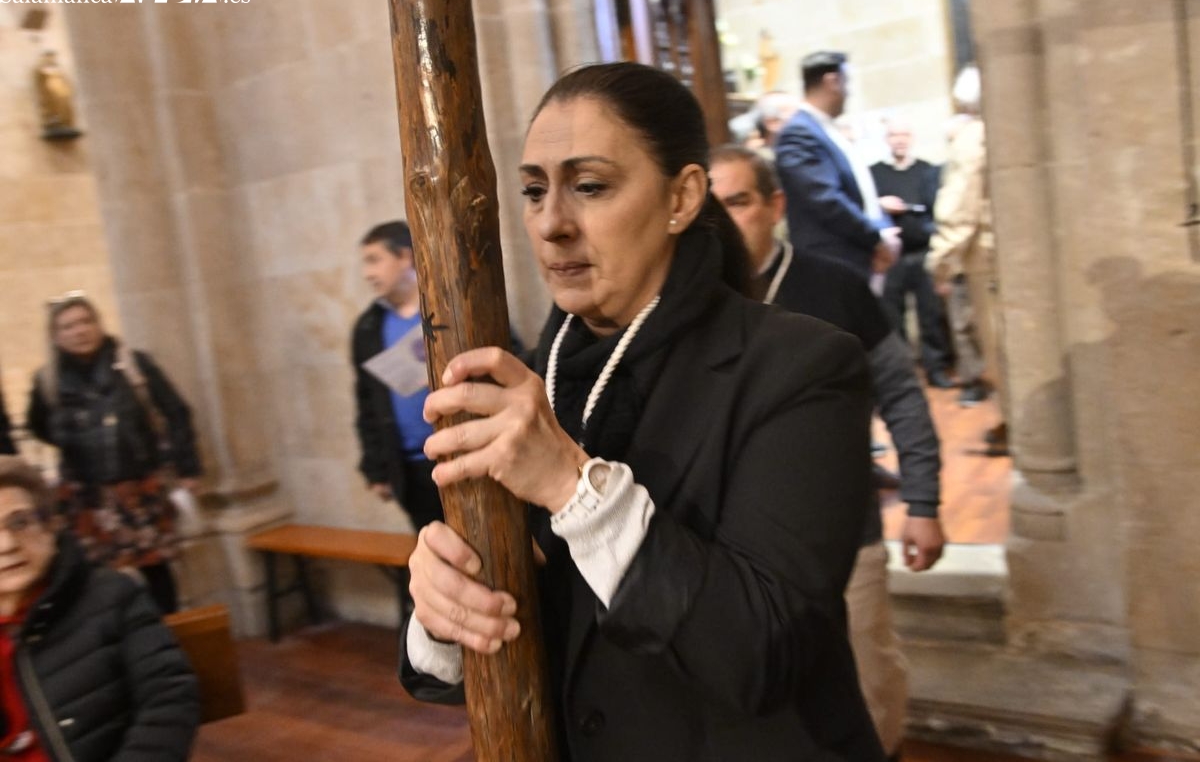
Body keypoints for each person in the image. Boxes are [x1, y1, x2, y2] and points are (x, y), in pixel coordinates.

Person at [399, 62, 885, 761]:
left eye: (590, 186)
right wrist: (446, 610)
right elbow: (515, 651)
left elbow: (765, 656)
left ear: (681, 197)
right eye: (534, 191)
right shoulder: (535, 380)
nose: (551, 224)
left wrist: (570, 486)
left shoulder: (801, 366)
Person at [711, 144, 945, 760]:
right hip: (734, 544)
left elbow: (901, 394)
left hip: (844, 535)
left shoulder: (835, 286)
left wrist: (922, 501)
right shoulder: (694, 302)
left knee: (868, 684)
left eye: (738, 202)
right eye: (712, 206)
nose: (723, 221)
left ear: (775, 206)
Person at [0, 455, 199, 760]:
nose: (7, 545)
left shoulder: (112, 596)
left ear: (50, 525)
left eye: (19, 522)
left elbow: (169, 697)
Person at [26, 294, 200, 615]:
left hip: (139, 489)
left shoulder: (133, 364)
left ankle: (166, 635)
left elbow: (176, 411)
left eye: (86, 321)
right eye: (68, 326)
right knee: (100, 579)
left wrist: (188, 468)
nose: (80, 331)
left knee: (157, 572)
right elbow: (38, 426)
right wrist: (77, 442)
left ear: (99, 324)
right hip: (88, 497)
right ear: (55, 336)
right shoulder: (47, 381)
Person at [928, 65, 1009, 453]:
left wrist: (940, 260)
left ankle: (1020, 423)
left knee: (1000, 347)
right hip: (1010, 253)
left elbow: (960, 207)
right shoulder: (1006, 129)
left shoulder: (974, 137)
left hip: (987, 258)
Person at [351, 220, 444, 531]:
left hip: (464, 454)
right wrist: (376, 469)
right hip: (410, 469)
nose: (368, 273)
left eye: (374, 260)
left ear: (405, 257)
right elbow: (367, 403)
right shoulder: (368, 327)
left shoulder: (448, 305)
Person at [775, 50, 900, 280]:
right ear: (832, 81)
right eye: (847, 82)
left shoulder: (824, 128)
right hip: (832, 259)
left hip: (854, 254)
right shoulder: (799, 132)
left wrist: (883, 229)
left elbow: (862, 192)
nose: (848, 92)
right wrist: (876, 238)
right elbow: (825, 198)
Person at [870, 120, 954, 388]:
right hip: (890, 257)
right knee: (893, 319)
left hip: (924, 253)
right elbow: (863, 208)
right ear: (886, 139)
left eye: (904, 134)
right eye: (894, 135)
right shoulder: (874, 173)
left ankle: (935, 369)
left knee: (931, 316)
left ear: (912, 137)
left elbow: (939, 209)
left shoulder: (927, 170)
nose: (899, 139)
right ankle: (903, 374)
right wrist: (880, 204)